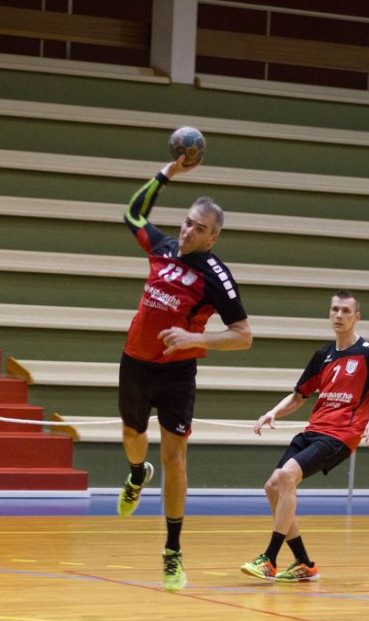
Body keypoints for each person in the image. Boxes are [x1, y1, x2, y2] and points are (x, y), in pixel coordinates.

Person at [117, 155, 252, 592]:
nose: (188, 231)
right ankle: (136, 474)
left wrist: (195, 339)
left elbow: (243, 335)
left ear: (213, 236)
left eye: (199, 227)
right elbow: (132, 214)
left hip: (176, 374)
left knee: (175, 459)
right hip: (135, 362)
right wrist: (168, 174)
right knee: (132, 436)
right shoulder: (162, 249)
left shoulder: (217, 277)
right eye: (187, 222)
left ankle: (172, 551)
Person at [240, 291, 369, 582]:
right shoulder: (323, 355)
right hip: (314, 430)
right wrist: (273, 411)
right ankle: (304, 563)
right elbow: (299, 396)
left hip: (341, 435)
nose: (339, 315)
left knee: (287, 476)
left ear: (357, 317)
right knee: (272, 486)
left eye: (346, 311)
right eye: (335, 309)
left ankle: (269, 559)